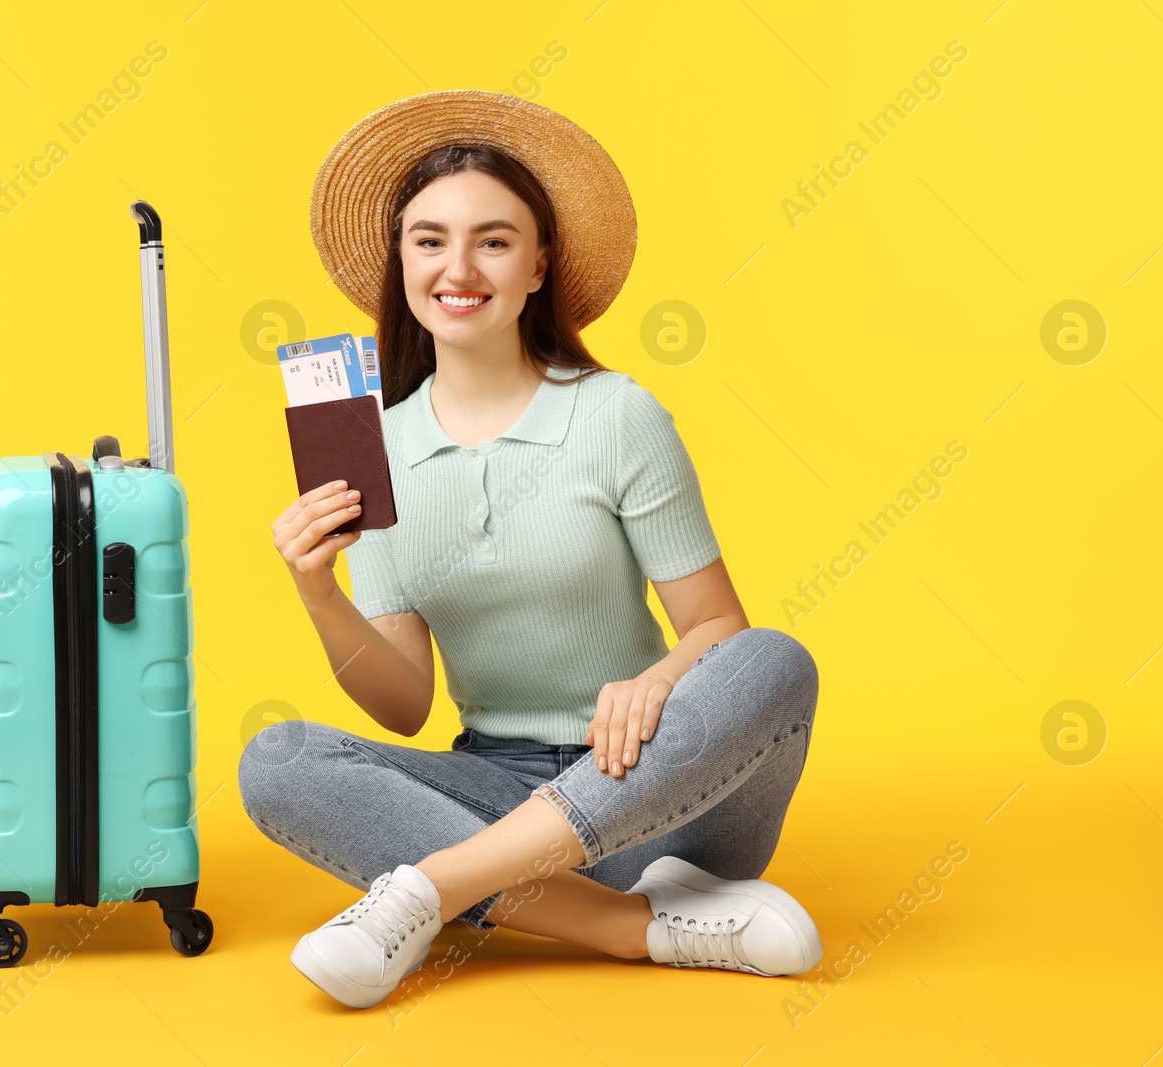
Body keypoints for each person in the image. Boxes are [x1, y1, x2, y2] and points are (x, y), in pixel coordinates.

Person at [244, 90, 822, 1011]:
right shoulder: (376, 453)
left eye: (494, 240)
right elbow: (402, 707)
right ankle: (636, 929)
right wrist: (319, 590)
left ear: (538, 264)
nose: (458, 266)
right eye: (429, 240)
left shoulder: (616, 414)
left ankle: (430, 891)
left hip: (654, 790)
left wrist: (660, 681)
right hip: (493, 791)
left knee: (774, 660)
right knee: (275, 760)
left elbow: (718, 624)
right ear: (401, 263)